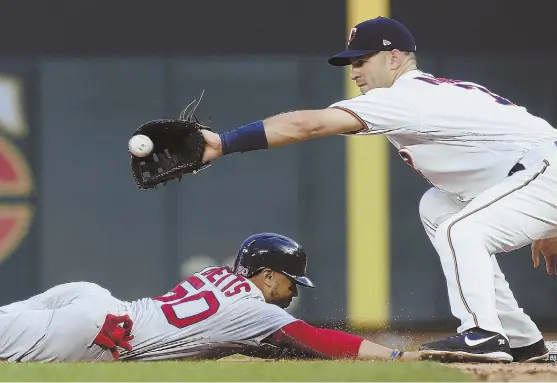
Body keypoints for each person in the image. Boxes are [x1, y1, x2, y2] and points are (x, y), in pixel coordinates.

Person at [198, 17, 557, 363]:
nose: (353, 71)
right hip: (534, 172)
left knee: (462, 229)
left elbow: (307, 124)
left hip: (543, 169)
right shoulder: (432, 93)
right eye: (350, 63)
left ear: (394, 58)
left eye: (362, 60)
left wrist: (224, 143)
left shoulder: (405, 98)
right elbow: (525, 136)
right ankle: (522, 340)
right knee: (438, 207)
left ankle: (483, 333)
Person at [0, 232, 419, 362]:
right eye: (291, 281)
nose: (293, 290)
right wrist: (395, 358)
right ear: (267, 276)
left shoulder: (215, 276)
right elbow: (320, 340)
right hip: (102, 333)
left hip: (94, 302)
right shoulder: (254, 312)